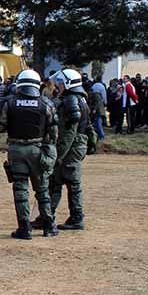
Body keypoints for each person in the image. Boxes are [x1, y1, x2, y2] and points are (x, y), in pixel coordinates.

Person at [0, 69, 59, 239]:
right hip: (38, 150)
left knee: (20, 189)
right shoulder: (46, 104)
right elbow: (54, 132)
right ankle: (49, 226)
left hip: (16, 150)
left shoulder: (9, 103)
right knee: (42, 189)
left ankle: (24, 228)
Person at [46, 69, 90, 230]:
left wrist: (58, 154)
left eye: (60, 82)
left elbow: (69, 132)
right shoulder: (80, 98)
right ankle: (47, 215)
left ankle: (75, 217)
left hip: (71, 147)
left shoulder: (71, 100)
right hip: (76, 145)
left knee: (70, 181)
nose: (58, 85)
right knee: (58, 180)